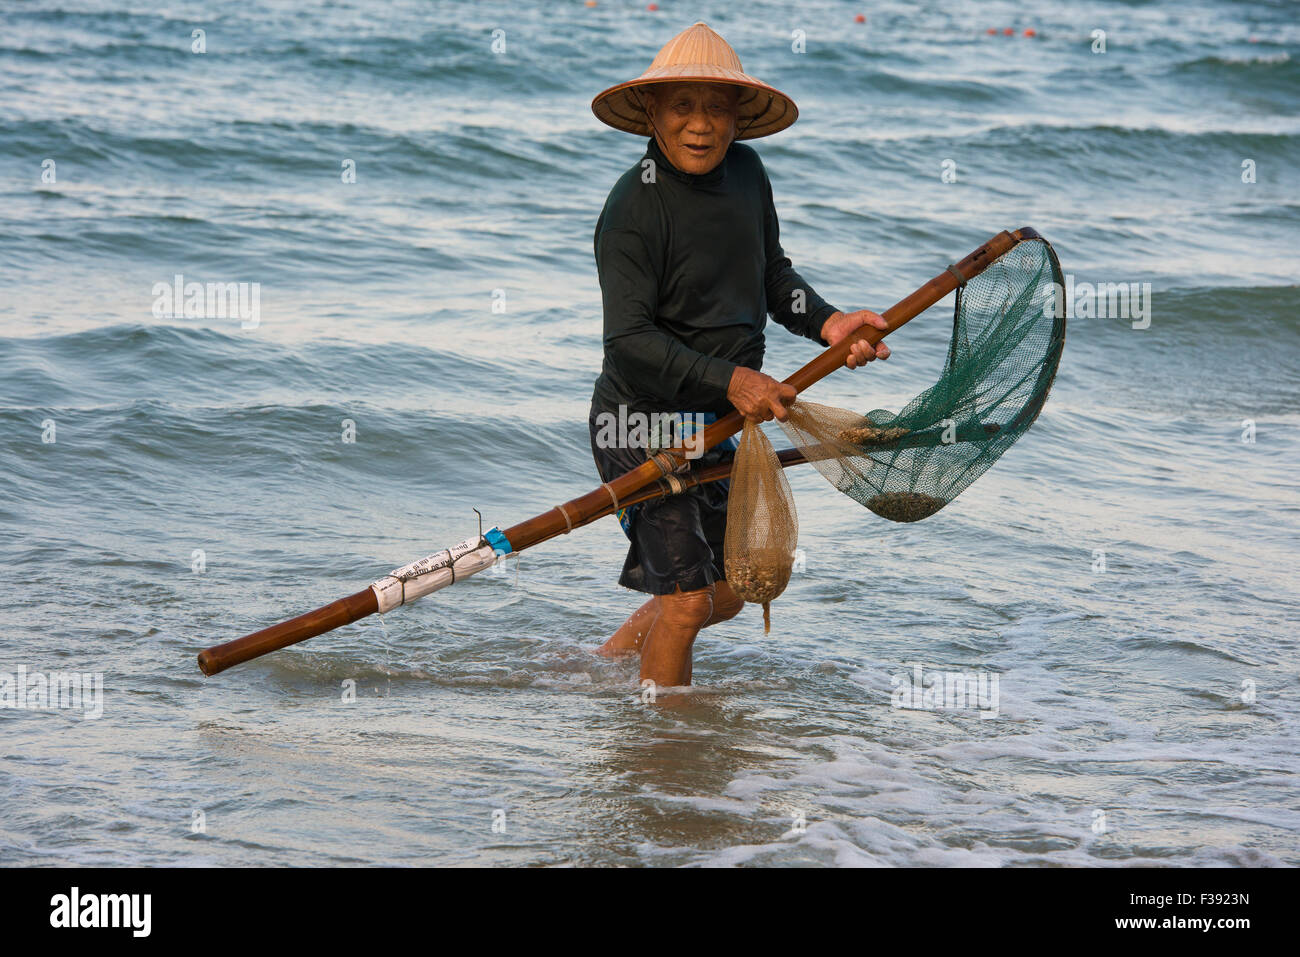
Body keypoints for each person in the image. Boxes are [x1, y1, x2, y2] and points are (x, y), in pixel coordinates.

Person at [588, 22, 890, 688]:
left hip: (724, 419)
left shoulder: (749, 174)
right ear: (651, 113)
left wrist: (832, 324)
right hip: (640, 425)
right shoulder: (633, 208)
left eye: (716, 106)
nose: (701, 125)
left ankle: (605, 665)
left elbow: (772, 274)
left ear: (738, 115)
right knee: (689, 600)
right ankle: (668, 766)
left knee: (729, 591)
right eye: (683, 106)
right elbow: (629, 344)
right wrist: (733, 379)